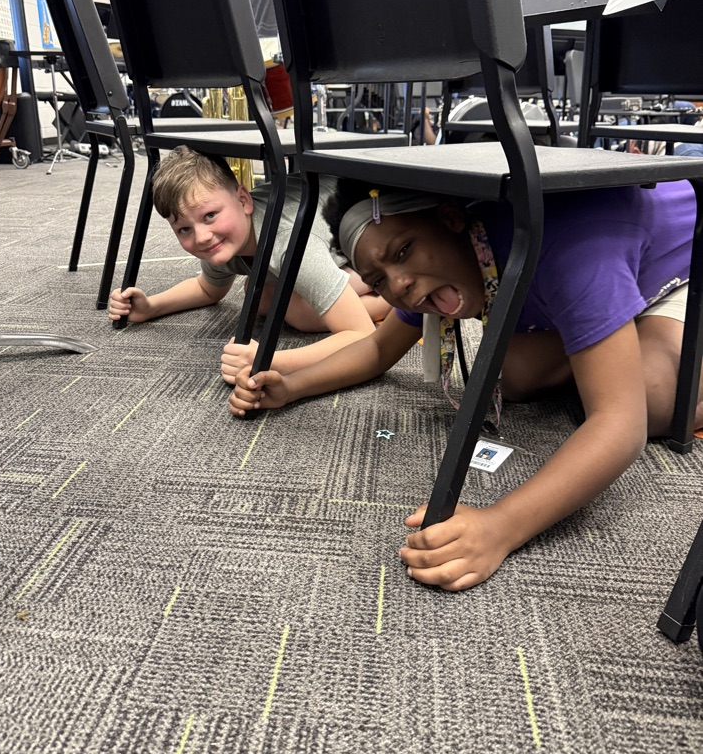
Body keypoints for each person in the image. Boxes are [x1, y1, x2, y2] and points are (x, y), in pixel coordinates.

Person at [229, 177, 703, 591]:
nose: (401, 286)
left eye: (401, 254)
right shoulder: (428, 260)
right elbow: (376, 350)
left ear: (453, 219)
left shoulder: (571, 246)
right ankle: (604, 321)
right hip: (604, 269)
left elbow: (621, 426)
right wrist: (293, 384)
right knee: (509, 373)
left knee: (654, 401)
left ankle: (616, 324)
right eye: (379, 280)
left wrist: (499, 527)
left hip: (684, 270)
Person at [108, 147, 389, 381]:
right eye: (184, 229)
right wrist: (151, 307)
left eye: (209, 216)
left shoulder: (289, 244)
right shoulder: (225, 240)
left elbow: (360, 335)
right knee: (263, 298)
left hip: (376, 218)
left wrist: (267, 359)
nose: (202, 237)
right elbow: (208, 290)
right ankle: (348, 285)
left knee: (295, 311)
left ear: (243, 200)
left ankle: (387, 298)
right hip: (321, 230)